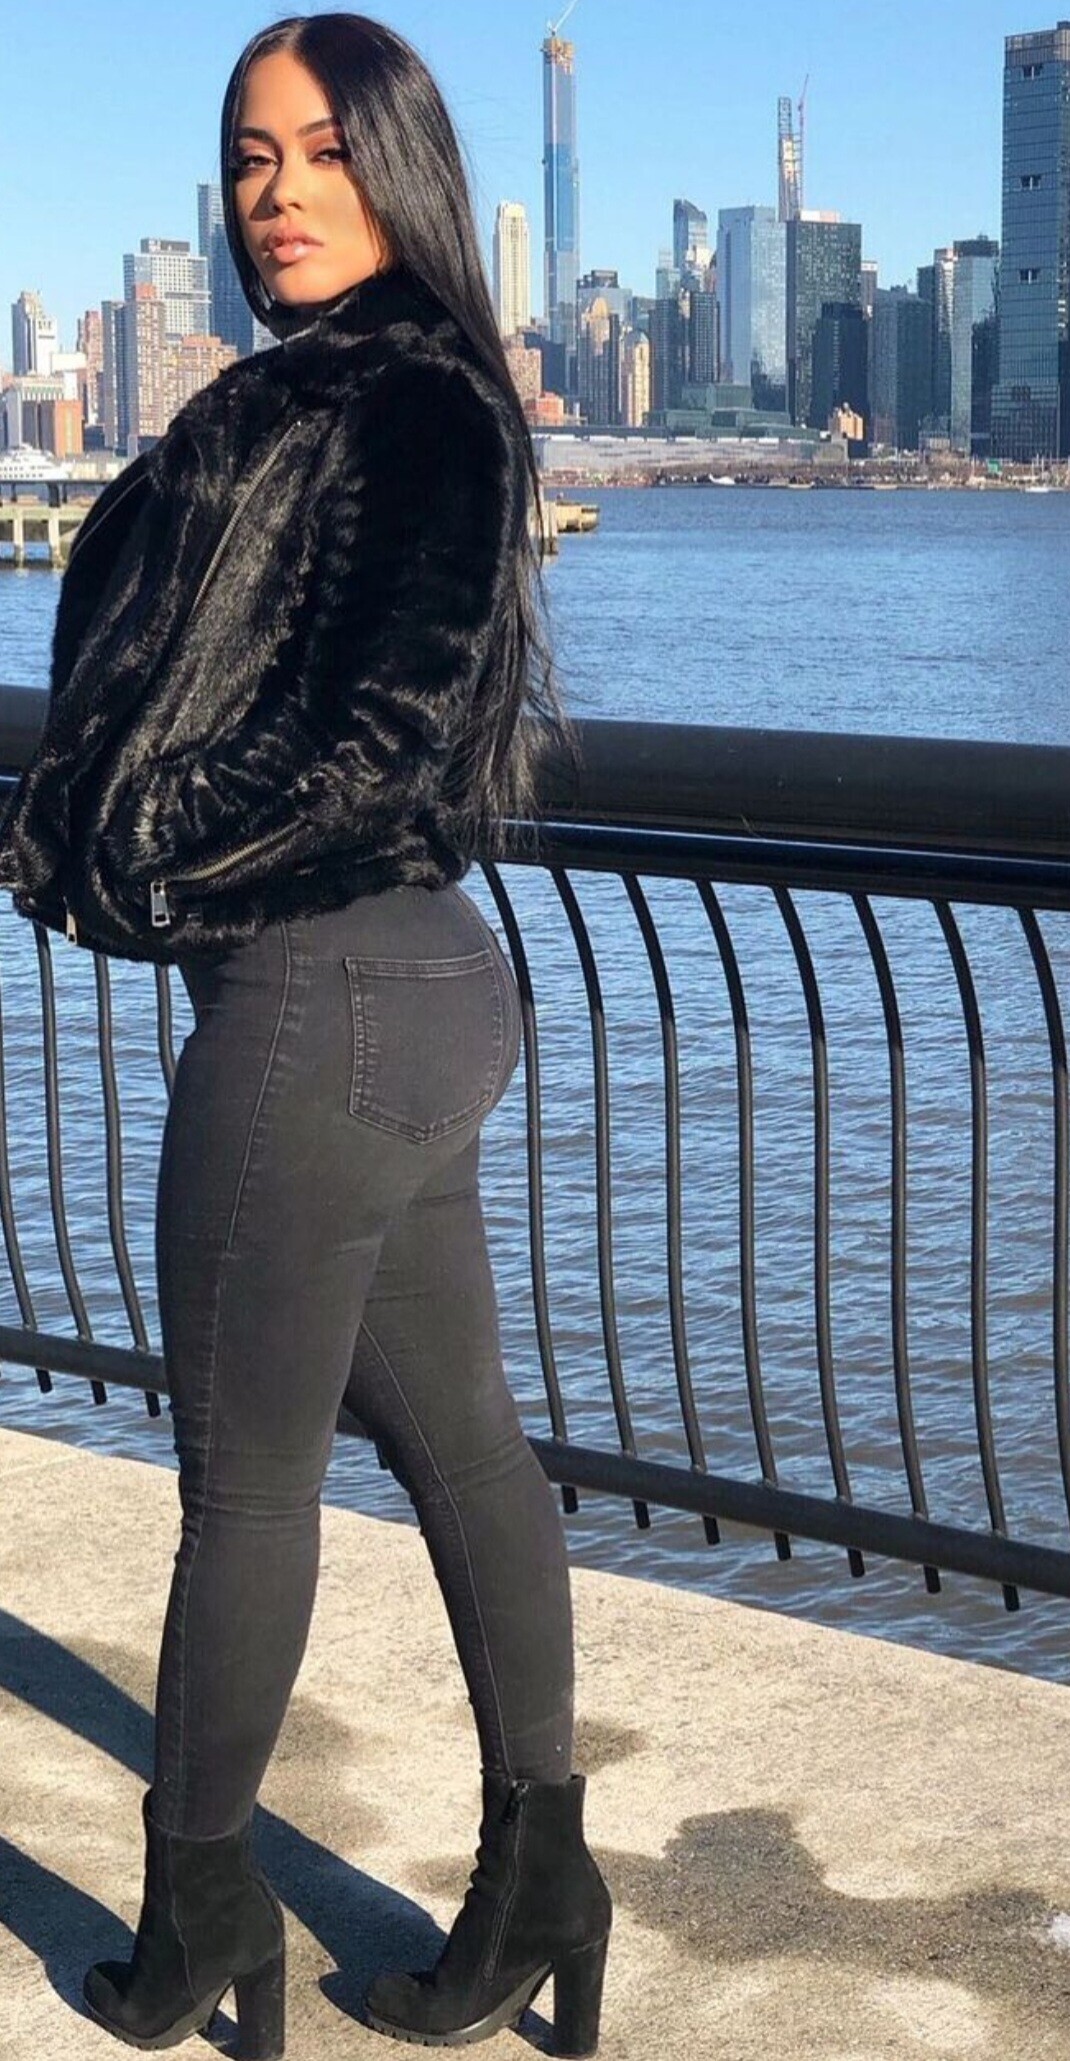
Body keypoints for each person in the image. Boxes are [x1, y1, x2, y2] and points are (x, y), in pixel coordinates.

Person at [0, 13, 611, 2056]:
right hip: (414, 995)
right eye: (251, 157)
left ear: (402, 167)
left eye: (322, 153)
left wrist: (133, 842)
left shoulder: (406, 402)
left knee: (244, 1487)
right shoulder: (327, 399)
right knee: (463, 1441)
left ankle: (199, 1913)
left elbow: (368, 742)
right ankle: (544, 1870)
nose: (278, 193)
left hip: (318, 994)